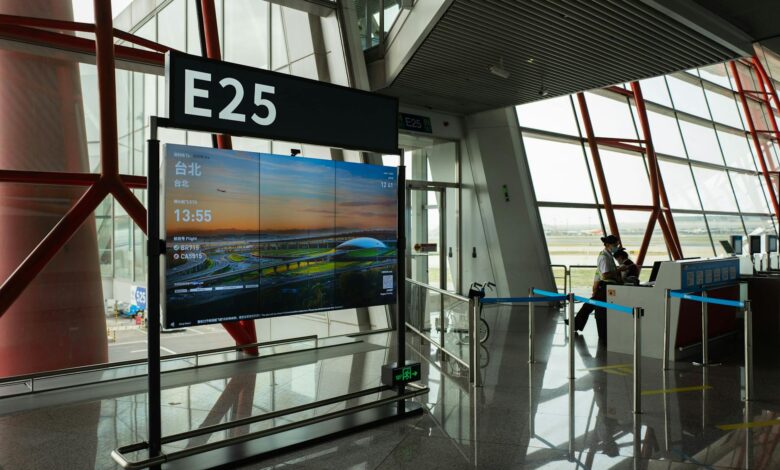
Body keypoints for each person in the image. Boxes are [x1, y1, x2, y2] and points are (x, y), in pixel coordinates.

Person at [570, 234, 622, 342]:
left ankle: (575, 323)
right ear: (608, 245)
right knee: (595, 307)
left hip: (605, 286)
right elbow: (605, 274)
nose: (617, 246)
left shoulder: (608, 255)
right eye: (615, 245)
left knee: (590, 305)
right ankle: (575, 323)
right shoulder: (604, 257)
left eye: (617, 244)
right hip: (605, 286)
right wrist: (619, 270)